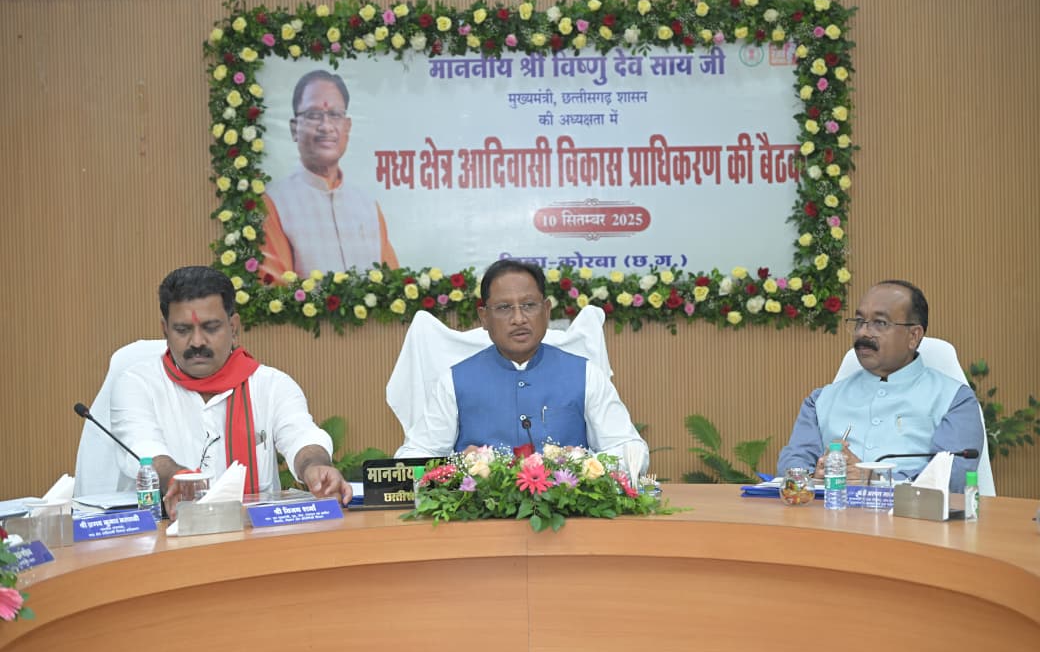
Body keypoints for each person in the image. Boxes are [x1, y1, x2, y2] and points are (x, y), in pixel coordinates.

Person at [111, 266, 352, 513]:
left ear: (234, 327)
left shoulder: (272, 385)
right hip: (167, 526)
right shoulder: (136, 384)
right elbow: (144, 450)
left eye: (211, 327)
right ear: (165, 330)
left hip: (257, 531)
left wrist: (315, 466)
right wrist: (176, 478)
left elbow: (301, 436)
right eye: (182, 330)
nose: (197, 342)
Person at [395, 259, 649, 473]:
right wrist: (459, 465)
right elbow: (413, 457)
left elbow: (633, 452)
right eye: (504, 308)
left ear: (546, 310)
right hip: (479, 514)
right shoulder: (453, 381)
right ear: (484, 317)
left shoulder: (585, 374)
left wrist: (583, 464)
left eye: (529, 306)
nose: (518, 319)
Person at [777, 280, 983, 493]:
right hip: (829, 511)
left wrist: (876, 480)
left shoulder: (955, 400)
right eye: (859, 321)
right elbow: (792, 464)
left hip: (911, 514)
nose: (863, 333)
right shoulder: (820, 400)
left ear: (913, 336)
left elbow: (952, 477)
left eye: (880, 323)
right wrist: (814, 477)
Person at [258, 69, 398, 280]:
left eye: (334, 115)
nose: (326, 126)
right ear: (294, 129)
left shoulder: (367, 206)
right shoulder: (274, 203)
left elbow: (392, 283)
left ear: (347, 127)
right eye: (313, 115)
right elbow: (276, 290)